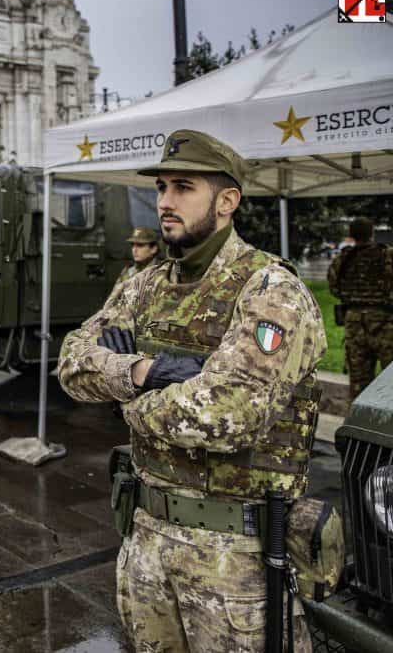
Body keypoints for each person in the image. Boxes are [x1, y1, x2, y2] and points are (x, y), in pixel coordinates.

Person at [58, 129, 326, 651]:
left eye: (183, 187)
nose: (164, 201)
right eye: (161, 187)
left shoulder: (270, 291)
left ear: (227, 202)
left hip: (234, 562)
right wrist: (141, 372)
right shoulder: (142, 284)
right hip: (144, 543)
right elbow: (70, 364)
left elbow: (228, 415)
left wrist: (123, 399)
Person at [327, 217, 393, 399]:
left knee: (359, 383)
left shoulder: (344, 258)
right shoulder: (387, 254)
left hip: (354, 323)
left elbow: (333, 286)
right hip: (385, 323)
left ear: (351, 234)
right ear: (372, 233)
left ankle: (359, 424)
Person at [108, 227, 161, 301]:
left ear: (154, 249)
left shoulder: (163, 272)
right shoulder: (129, 271)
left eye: (140, 245)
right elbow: (113, 299)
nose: (134, 250)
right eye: (133, 245)